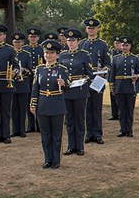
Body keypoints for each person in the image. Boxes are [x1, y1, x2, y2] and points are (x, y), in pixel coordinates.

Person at [30, 39, 69, 169]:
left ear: (57, 55)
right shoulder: (39, 69)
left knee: (56, 134)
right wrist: (33, 103)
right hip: (43, 105)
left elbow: (68, 87)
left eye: (52, 53)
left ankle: (56, 160)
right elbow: (35, 88)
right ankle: (48, 159)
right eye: (46, 53)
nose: (48, 55)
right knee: (45, 135)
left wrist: (63, 84)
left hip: (57, 105)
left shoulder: (62, 69)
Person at [58, 28, 93, 155]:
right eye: (69, 41)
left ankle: (80, 146)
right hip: (66, 91)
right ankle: (70, 145)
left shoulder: (84, 55)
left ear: (78, 42)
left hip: (79, 90)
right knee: (69, 119)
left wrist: (85, 79)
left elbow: (90, 74)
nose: (71, 43)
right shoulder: (62, 55)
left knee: (79, 119)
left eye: (73, 41)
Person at [79, 18, 110, 145]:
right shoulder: (81, 44)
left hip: (98, 80)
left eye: (93, 28)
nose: (91, 30)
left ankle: (97, 134)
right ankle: (88, 133)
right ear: (86, 29)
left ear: (97, 29)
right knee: (86, 108)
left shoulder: (103, 45)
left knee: (96, 108)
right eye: (89, 28)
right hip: (85, 81)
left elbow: (108, 63)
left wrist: (104, 71)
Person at [0, 24, 17, 144]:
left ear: (4, 36)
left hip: (6, 82)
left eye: (0, 34)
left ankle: (6, 134)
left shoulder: (10, 49)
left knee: (6, 110)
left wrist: (15, 72)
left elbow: (15, 65)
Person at [109, 36, 139, 137]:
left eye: (126, 45)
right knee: (121, 110)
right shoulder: (115, 59)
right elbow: (112, 75)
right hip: (119, 86)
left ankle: (129, 130)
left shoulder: (135, 58)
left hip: (130, 87)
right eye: (123, 45)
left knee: (130, 109)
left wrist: (136, 77)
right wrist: (112, 87)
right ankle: (123, 129)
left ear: (130, 46)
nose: (124, 47)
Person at [10, 32, 34, 138]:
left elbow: (30, 71)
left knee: (22, 108)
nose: (17, 44)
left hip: (23, 83)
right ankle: (15, 130)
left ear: (22, 43)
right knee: (14, 108)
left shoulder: (26, 55)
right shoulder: (10, 53)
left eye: (19, 42)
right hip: (12, 83)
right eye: (15, 42)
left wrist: (23, 70)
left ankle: (22, 129)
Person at [25, 27, 42, 133]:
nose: (33, 38)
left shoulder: (42, 48)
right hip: (28, 77)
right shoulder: (25, 49)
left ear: (38, 38)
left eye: (34, 37)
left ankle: (39, 124)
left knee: (39, 99)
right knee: (28, 99)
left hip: (40, 76)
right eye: (31, 37)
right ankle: (31, 125)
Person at [108, 36, 123, 121]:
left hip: (120, 76)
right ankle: (114, 113)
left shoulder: (123, 52)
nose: (117, 45)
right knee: (112, 95)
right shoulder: (111, 52)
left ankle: (120, 113)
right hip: (112, 75)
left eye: (119, 43)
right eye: (116, 43)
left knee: (120, 97)